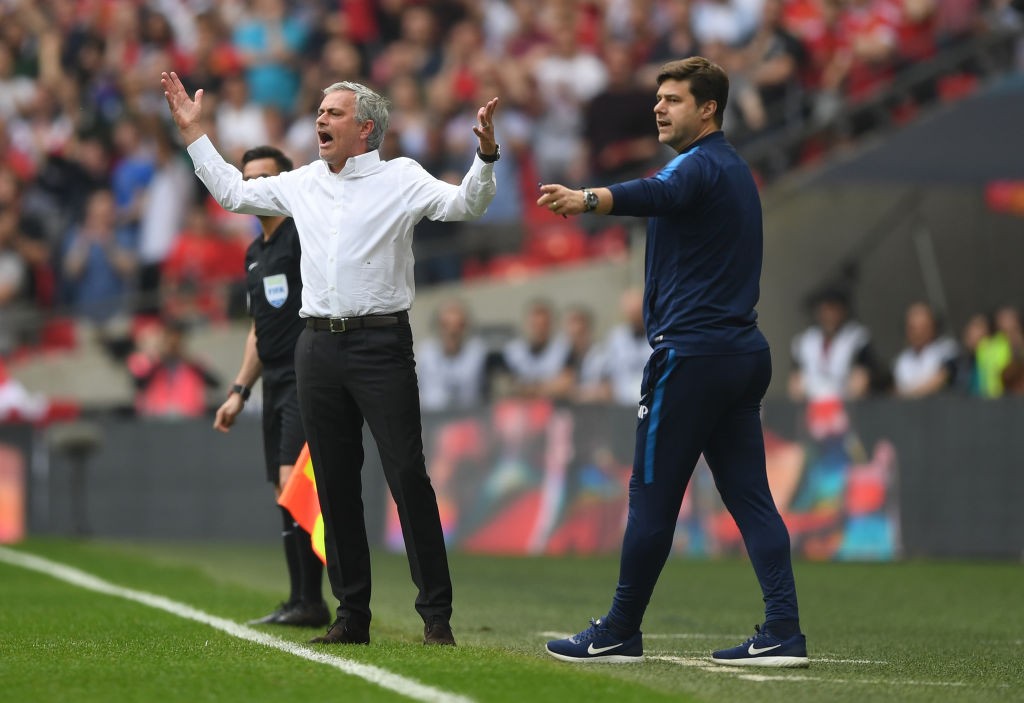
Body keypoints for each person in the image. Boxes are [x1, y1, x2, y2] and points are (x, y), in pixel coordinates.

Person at [162, 70, 499, 647]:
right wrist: (195, 135)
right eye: (319, 110)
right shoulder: (303, 183)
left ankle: (435, 615)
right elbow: (231, 193)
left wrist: (486, 157)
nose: (320, 118)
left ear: (366, 128)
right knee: (334, 485)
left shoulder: (401, 178)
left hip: (380, 344)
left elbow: (465, 205)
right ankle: (352, 616)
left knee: (406, 475)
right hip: (315, 345)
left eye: (334, 112)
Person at [538, 56, 807, 667]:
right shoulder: (734, 168)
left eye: (674, 99)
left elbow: (657, 193)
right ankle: (783, 630)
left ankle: (619, 629)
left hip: (692, 355)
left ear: (708, 108)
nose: (658, 107)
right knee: (751, 498)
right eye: (657, 97)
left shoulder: (697, 165)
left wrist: (589, 198)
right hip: (741, 351)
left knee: (652, 499)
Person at [211, 145, 328, 628]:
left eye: (265, 178)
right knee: (283, 489)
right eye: (249, 179)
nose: (256, 187)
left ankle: (314, 600)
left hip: (306, 374)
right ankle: (301, 598)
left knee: (293, 481)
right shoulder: (255, 253)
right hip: (273, 381)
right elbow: (258, 329)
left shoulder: (302, 236)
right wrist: (239, 390)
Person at [788, 288, 879, 402]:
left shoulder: (857, 338)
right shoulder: (805, 341)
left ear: (843, 311)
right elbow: (795, 383)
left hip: (845, 407)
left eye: (834, 310)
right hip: (811, 408)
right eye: (826, 310)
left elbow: (861, 381)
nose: (830, 315)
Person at [416, 298, 490, 412]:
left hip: (469, 418)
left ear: (466, 327)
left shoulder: (477, 354)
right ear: (437, 326)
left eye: (458, 325)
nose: (452, 331)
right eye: (446, 325)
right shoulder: (426, 354)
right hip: (432, 420)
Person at [892, 301, 958, 398]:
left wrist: (908, 396)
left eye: (923, 327)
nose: (918, 333)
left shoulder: (946, 349)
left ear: (933, 326)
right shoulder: (901, 360)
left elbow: (942, 378)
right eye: (913, 328)